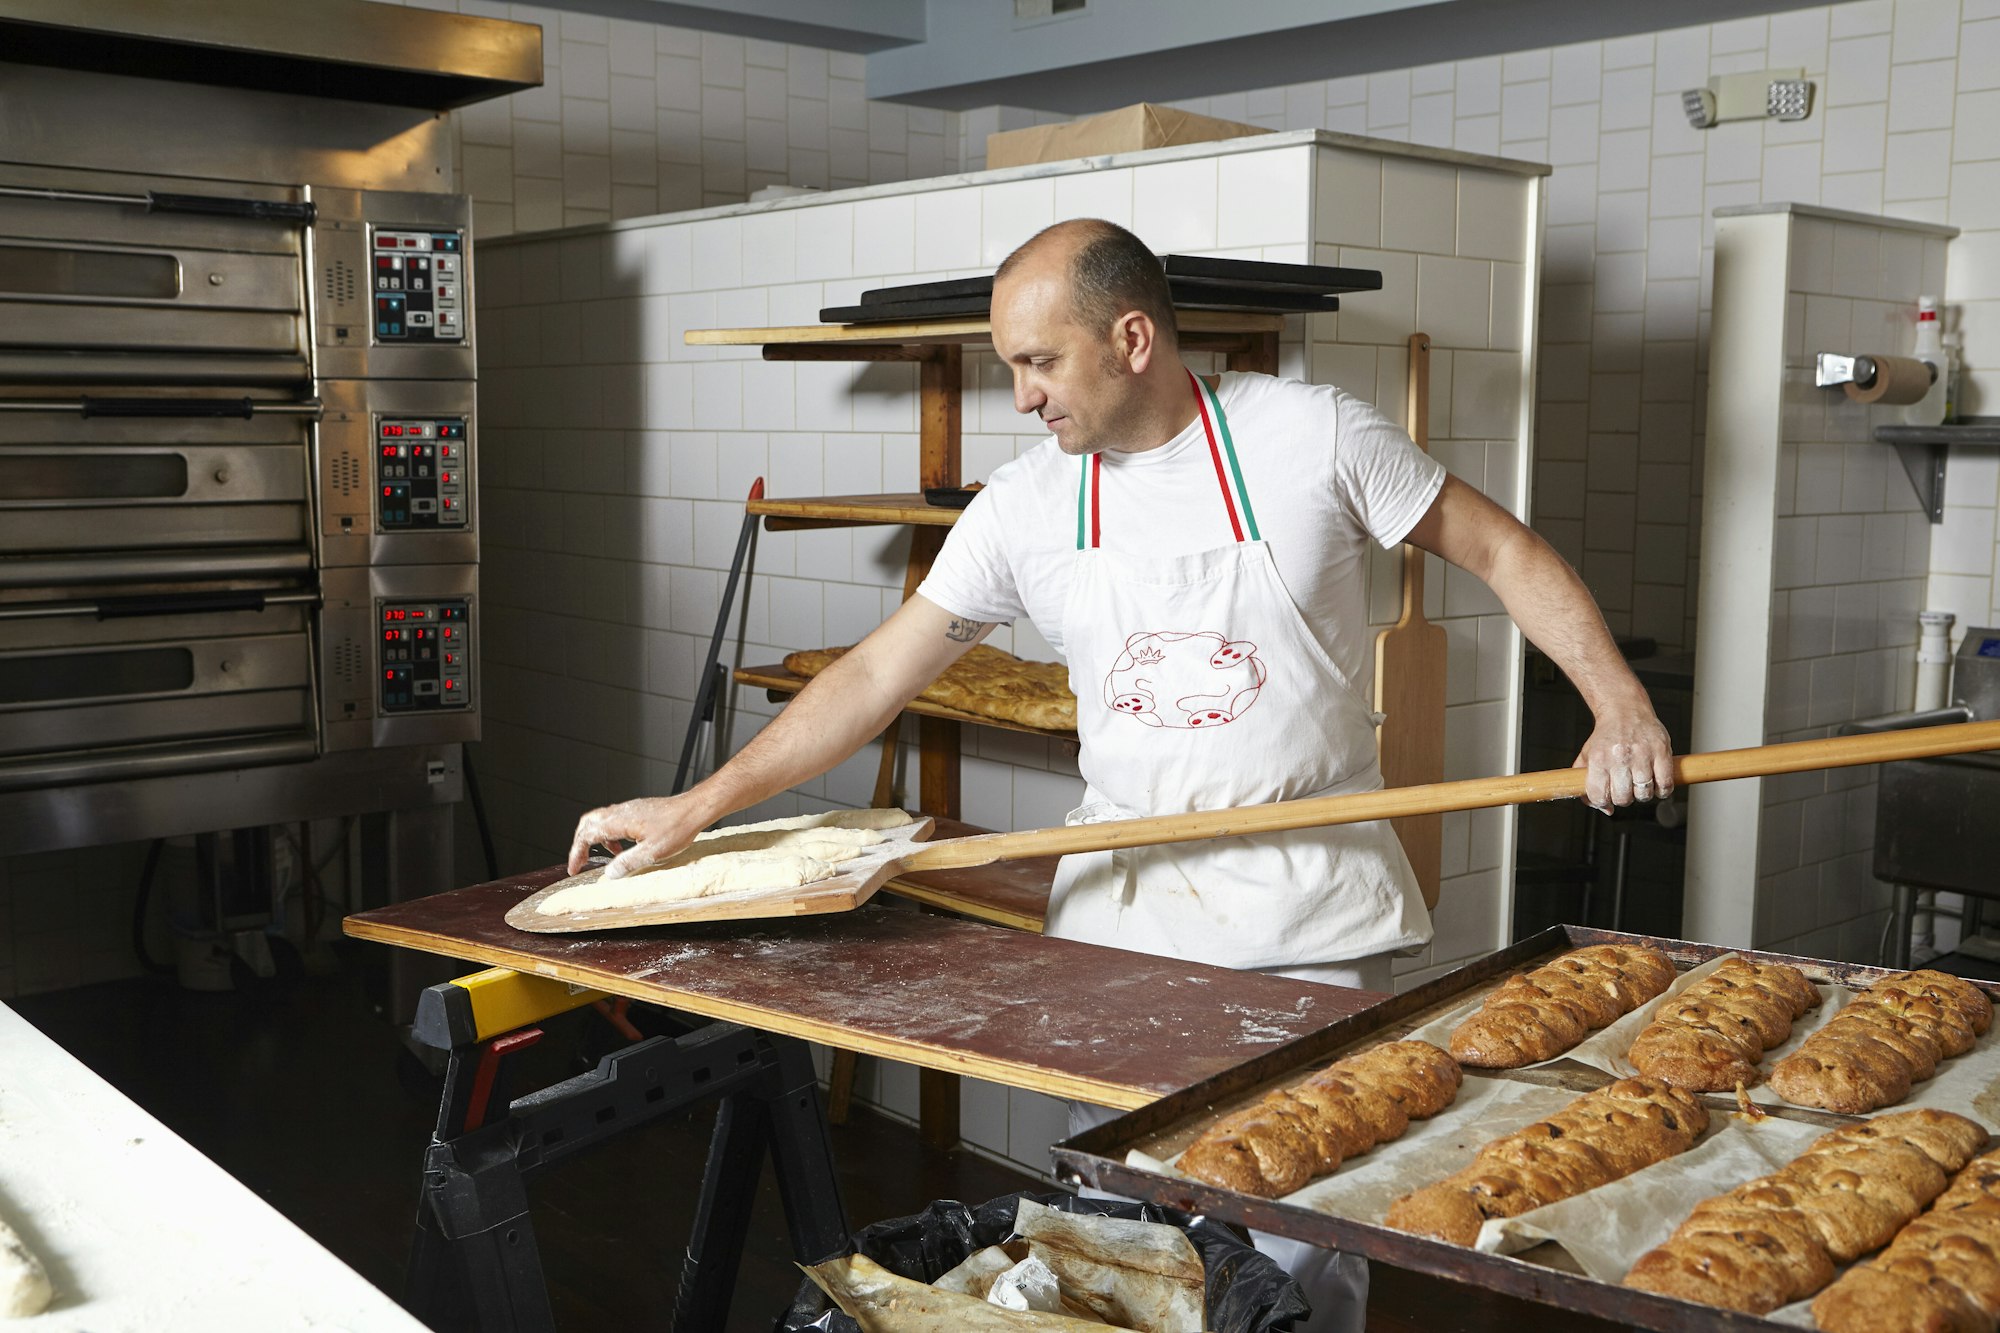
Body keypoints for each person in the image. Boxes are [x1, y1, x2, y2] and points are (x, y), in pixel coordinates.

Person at [568, 218, 1673, 1328]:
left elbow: (1500, 550)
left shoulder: (1310, 437)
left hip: (1303, 911)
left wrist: (1615, 704)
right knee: (1118, 1238)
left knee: (1294, 1237)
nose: (1022, 397)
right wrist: (699, 806)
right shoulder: (1027, 503)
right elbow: (873, 676)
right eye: (1009, 367)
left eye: (1039, 363)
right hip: (1122, 919)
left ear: (1131, 338)